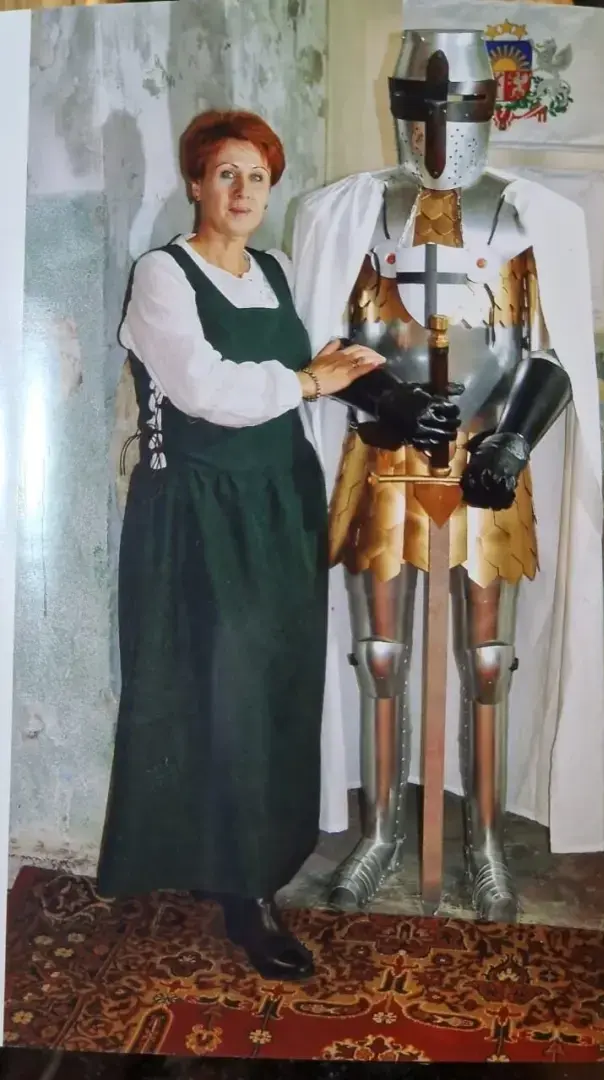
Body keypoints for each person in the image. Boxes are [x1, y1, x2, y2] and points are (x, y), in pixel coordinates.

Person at [96, 109, 458, 981]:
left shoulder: (277, 269)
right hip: (197, 509)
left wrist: (398, 402)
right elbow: (205, 388)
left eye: (257, 176)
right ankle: (243, 895)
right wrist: (308, 381)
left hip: (278, 502)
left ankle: (248, 864)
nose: (242, 190)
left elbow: (329, 360)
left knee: (275, 686)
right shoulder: (163, 274)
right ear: (195, 182)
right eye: (226, 173)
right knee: (220, 692)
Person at [289, 28, 604, 921]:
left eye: (455, 108)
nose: (437, 130)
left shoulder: (532, 215)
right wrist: (385, 400)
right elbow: (334, 335)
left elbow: (546, 350)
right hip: (384, 453)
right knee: (381, 653)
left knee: (489, 660)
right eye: (422, 108)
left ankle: (487, 843)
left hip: (488, 453)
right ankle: (380, 832)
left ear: (485, 110)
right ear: (400, 107)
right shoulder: (355, 213)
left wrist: (514, 442)